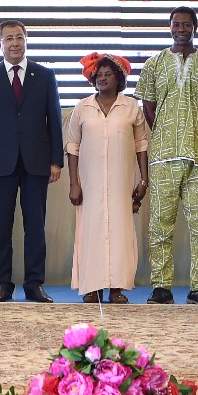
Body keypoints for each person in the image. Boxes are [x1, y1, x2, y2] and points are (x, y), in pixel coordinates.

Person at [134, 6, 198, 305]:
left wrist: (196, 132)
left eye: (186, 24)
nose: (181, 29)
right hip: (163, 156)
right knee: (160, 223)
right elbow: (148, 107)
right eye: (176, 24)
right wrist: (166, 132)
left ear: (195, 27)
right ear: (169, 27)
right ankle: (161, 287)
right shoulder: (154, 64)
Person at [0, 20, 64, 303]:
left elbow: (54, 120)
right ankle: (3, 284)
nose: (15, 43)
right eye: (9, 38)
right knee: (1, 227)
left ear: (26, 40)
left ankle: (34, 284)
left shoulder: (45, 75)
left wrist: (56, 160)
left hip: (37, 161)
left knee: (36, 226)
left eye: (19, 37)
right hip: (0, 162)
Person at [66, 53, 150, 304]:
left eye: (108, 74)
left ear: (119, 78)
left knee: (119, 231)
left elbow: (141, 144)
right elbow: (72, 146)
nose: (102, 78)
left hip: (121, 182)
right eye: (98, 75)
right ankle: (91, 287)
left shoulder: (131, 107)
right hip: (89, 183)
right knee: (91, 230)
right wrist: (74, 183)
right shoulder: (82, 107)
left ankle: (116, 288)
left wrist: (143, 180)